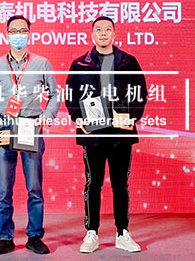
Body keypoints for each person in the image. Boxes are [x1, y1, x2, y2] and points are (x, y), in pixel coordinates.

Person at [64, 16, 147, 253]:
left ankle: (122, 232)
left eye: (107, 29)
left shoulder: (128, 62)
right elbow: (70, 94)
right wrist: (77, 117)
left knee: (120, 183)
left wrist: (132, 116)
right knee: (94, 183)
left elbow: (140, 92)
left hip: (121, 131)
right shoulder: (80, 64)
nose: (103, 33)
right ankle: (92, 232)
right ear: (92, 35)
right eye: (98, 30)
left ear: (114, 34)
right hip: (94, 132)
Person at [0, 15, 61, 255]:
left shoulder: (41, 63)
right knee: (4, 189)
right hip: (4, 128)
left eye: (22, 31)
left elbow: (55, 95)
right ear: (6, 34)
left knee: (34, 187)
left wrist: (45, 118)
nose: (18, 35)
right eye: (14, 31)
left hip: (30, 128)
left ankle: (34, 236)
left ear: (29, 33)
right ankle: (5, 237)